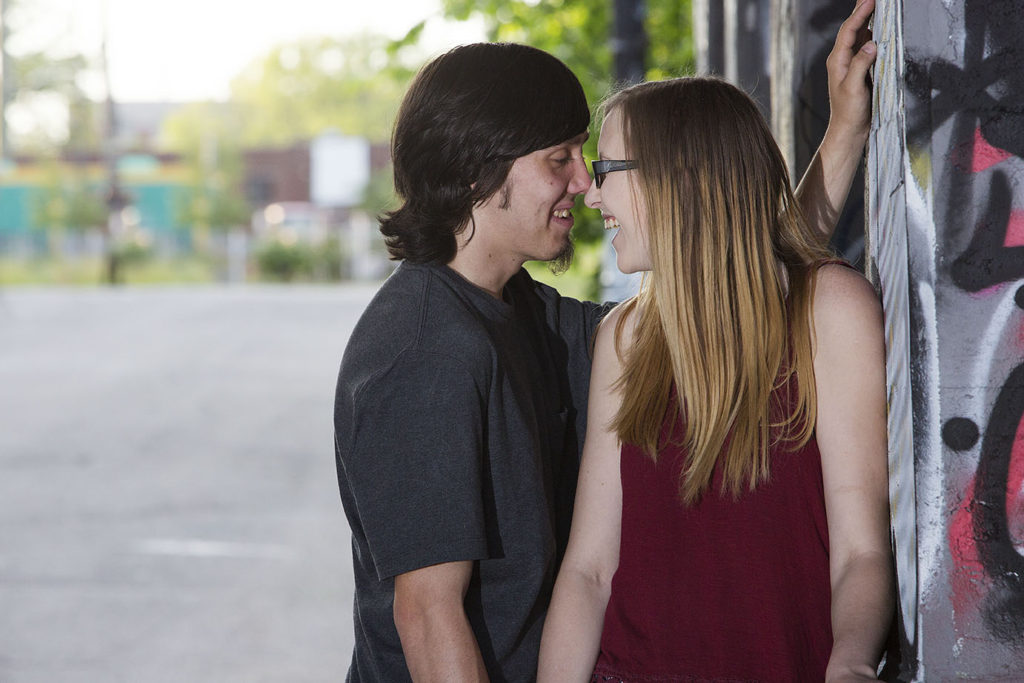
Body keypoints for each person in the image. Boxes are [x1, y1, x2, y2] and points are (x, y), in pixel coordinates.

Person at [335, 4, 877, 679]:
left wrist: (845, 135)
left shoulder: (520, 313)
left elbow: (727, 279)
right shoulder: (421, 351)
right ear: (479, 171)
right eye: (559, 159)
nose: (584, 185)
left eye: (589, 160)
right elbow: (426, 614)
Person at [537, 40, 891, 683]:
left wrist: (852, 664)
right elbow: (589, 570)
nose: (590, 195)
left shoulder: (831, 311)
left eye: (606, 167)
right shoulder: (623, 338)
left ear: (679, 175)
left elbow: (861, 551)